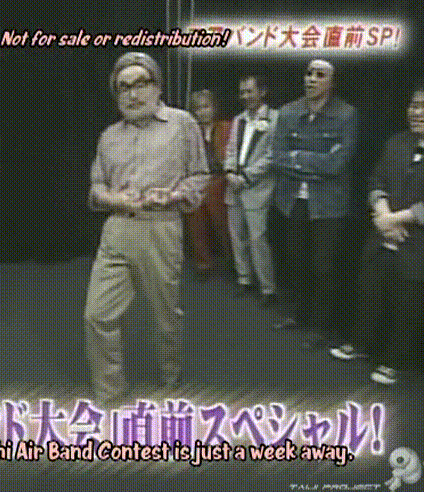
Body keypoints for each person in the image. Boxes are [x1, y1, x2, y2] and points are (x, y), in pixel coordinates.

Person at [83, 52, 208, 406]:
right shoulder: (109, 136)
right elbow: (96, 188)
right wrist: (116, 200)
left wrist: (173, 196)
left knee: (165, 315)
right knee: (97, 315)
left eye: (140, 84)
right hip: (117, 230)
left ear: (157, 87)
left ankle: (170, 376)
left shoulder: (182, 124)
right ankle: (109, 393)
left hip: (160, 229)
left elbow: (200, 176)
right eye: (123, 88)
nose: (132, 94)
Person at [330, 76, 424, 402]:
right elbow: (376, 179)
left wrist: (399, 218)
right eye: (413, 105)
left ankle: (394, 363)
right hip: (383, 236)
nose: (416, 112)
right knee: (370, 294)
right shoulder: (397, 142)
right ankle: (362, 346)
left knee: (410, 308)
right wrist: (381, 212)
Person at [271, 59, 357, 351]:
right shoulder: (288, 112)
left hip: (328, 205)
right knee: (296, 261)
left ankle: (322, 326)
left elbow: (337, 164)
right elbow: (278, 158)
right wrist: (315, 162)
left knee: (324, 267)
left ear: (332, 82)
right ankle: (299, 315)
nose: (311, 79)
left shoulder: (346, 114)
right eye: (308, 73)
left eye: (320, 75)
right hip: (292, 200)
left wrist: (298, 158)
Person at [224, 74, 278, 305]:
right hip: (234, 187)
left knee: (258, 240)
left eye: (249, 91)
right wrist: (229, 172)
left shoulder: (276, 119)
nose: (245, 96)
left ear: (262, 92)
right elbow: (230, 149)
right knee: (237, 237)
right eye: (242, 92)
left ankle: (267, 288)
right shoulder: (238, 119)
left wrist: (245, 177)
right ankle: (244, 279)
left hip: (258, 189)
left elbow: (272, 156)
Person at [184, 90, 233, 279]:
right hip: (196, 181)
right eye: (198, 108)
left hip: (220, 180)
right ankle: (203, 264)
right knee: (196, 225)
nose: (202, 112)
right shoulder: (189, 132)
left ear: (214, 108)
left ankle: (233, 262)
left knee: (224, 225)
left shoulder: (226, 127)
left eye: (206, 107)